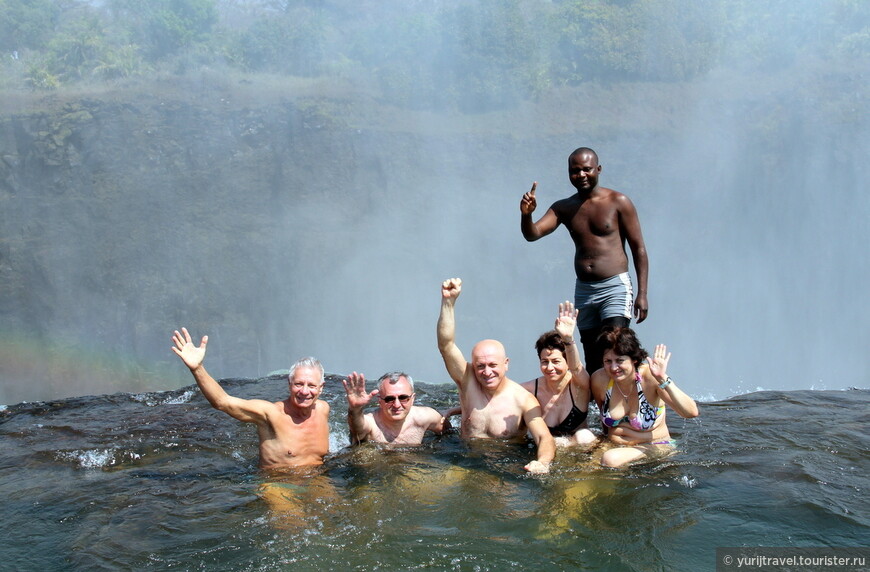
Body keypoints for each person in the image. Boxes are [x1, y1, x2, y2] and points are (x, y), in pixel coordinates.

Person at [520, 147, 649, 372]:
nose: (581, 175)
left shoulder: (618, 202)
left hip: (614, 286)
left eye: (587, 169)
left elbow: (639, 249)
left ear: (598, 169)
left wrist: (643, 294)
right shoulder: (564, 208)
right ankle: (599, 405)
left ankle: (636, 395)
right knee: (592, 356)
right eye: (575, 171)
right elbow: (532, 234)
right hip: (584, 291)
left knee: (616, 346)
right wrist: (526, 214)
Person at [437, 278, 556, 474]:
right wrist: (448, 303)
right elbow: (446, 346)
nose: (487, 372)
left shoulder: (523, 400)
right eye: (480, 366)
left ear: (506, 364)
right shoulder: (468, 381)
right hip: (464, 460)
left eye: (493, 365)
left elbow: (544, 437)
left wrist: (542, 462)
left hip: (505, 466)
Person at [171, 327, 330, 469]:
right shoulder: (270, 414)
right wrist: (197, 368)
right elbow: (222, 402)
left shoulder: (323, 409)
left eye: (311, 386)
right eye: (298, 384)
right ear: (289, 384)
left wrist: (356, 409)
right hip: (280, 482)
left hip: (318, 478)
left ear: (321, 388)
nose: (304, 391)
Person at [590, 327, 699, 468]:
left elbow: (691, 412)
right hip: (614, 446)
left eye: (620, 360)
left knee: (610, 459)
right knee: (584, 463)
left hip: (654, 446)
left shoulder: (650, 378)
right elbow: (604, 422)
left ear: (634, 359)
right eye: (608, 361)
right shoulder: (600, 379)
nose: (613, 367)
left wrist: (662, 378)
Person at [520, 301, 597, 448]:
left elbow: (576, 368)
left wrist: (568, 339)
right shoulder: (530, 389)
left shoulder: (579, 385)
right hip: (544, 447)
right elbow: (501, 393)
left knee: (585, 436)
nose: (550, 367)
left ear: (567, 361)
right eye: (544, 362)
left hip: (576, 448)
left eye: (555, 361)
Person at [343, 371, 453, 445]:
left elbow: (450, 435)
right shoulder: (372, 423)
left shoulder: (426, 417)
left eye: (403, 398)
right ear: (380, 401)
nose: (396, 405)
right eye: (389, 399)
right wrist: (355, 409)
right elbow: (357, 430)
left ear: (413, 398)